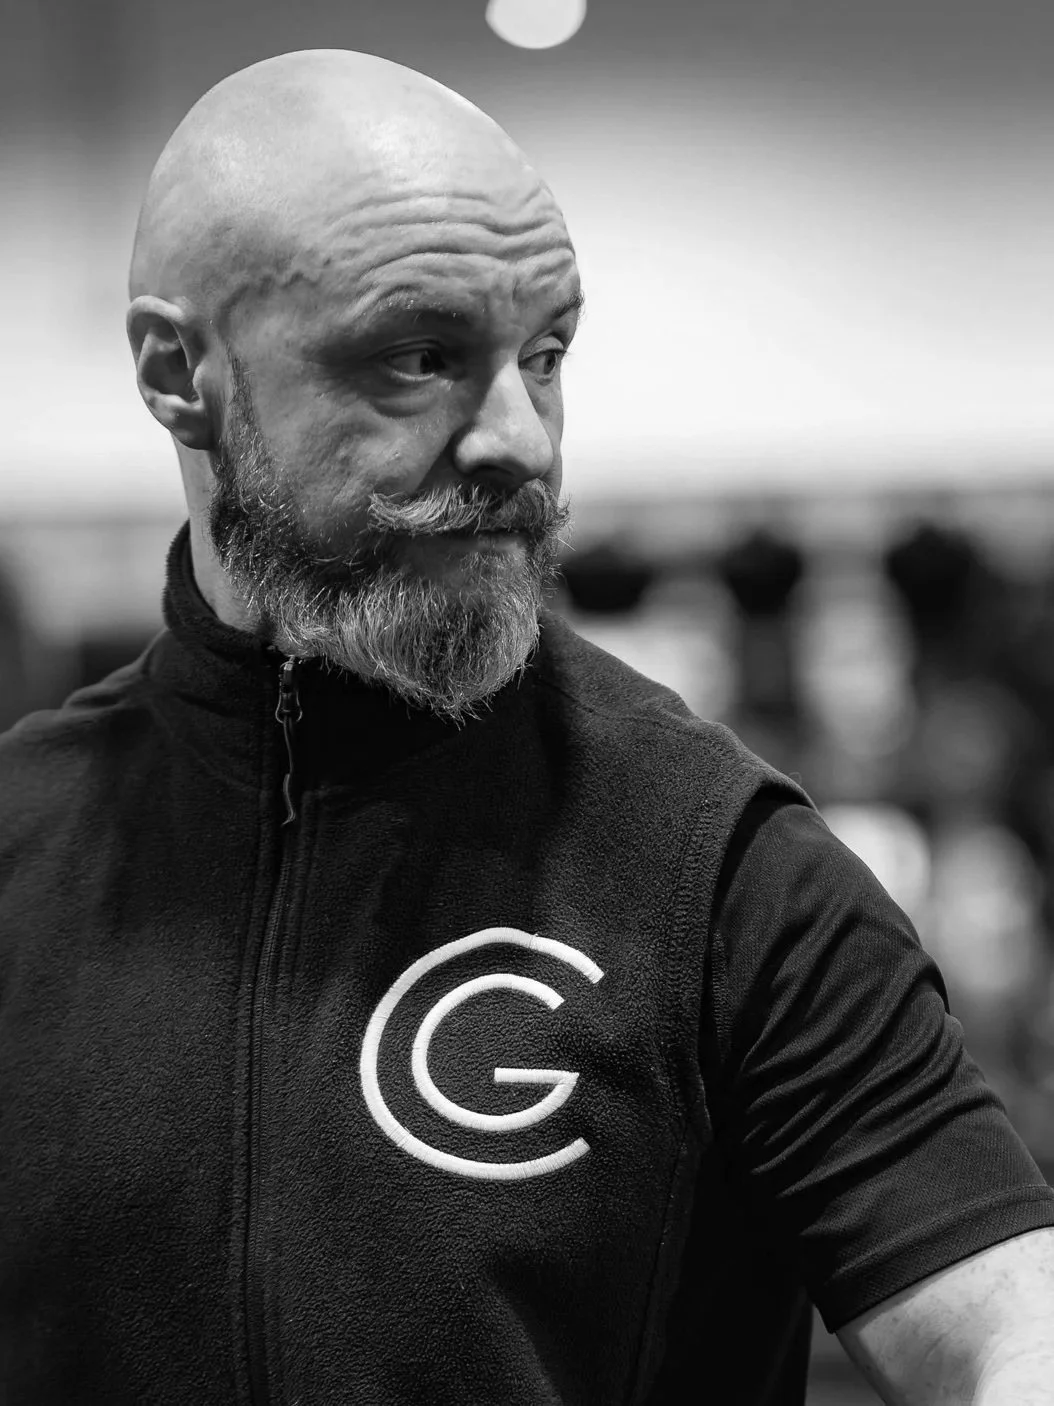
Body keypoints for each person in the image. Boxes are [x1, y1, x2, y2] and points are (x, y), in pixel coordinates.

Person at [0, 48, 1051, 1406]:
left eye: (543, 355)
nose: (519, 440)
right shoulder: (20, 849)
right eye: (420, 357)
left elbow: (1008, 1325)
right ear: (178, 370)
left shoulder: (719, 872)